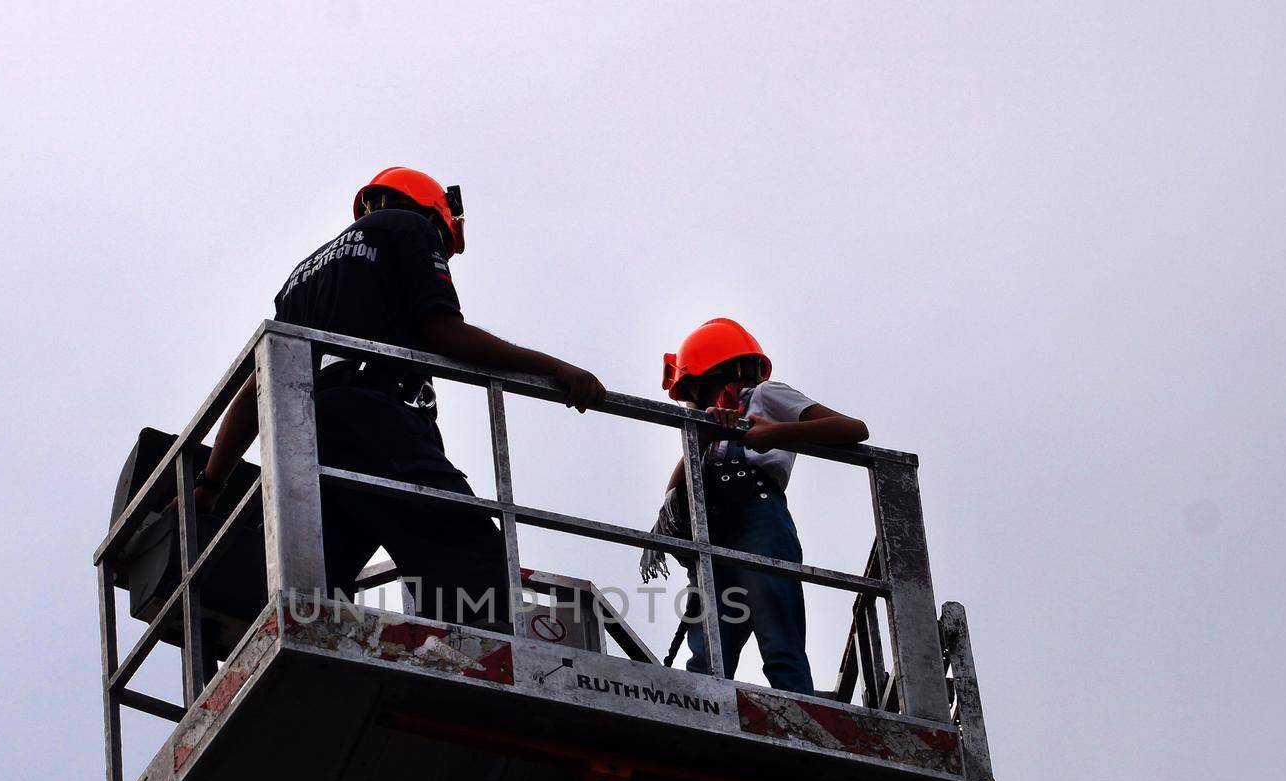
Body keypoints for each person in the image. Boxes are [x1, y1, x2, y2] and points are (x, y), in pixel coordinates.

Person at [195, 166, 604, 629]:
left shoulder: (302, 276)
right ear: (434, 214)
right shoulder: (410, 226)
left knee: (316, 587)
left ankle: (324, 675)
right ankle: (470, 676)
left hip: (307, 441)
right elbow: (445, 332)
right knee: (470, 551)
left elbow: (256, 390)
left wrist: (210, 486)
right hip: (375, 418)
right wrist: (556, 369)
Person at [646, 317, 869, 693]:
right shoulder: (711, 428)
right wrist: (703, 433)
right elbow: (675, 488)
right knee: (707, 652)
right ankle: (704, 714)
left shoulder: (766, 396)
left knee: (777, 633)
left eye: (699, 390)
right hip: (715, 532)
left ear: (716, 373)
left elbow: (853, 429)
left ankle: (798, 707)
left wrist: (774, 433)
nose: (698, 401)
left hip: (759, 519)